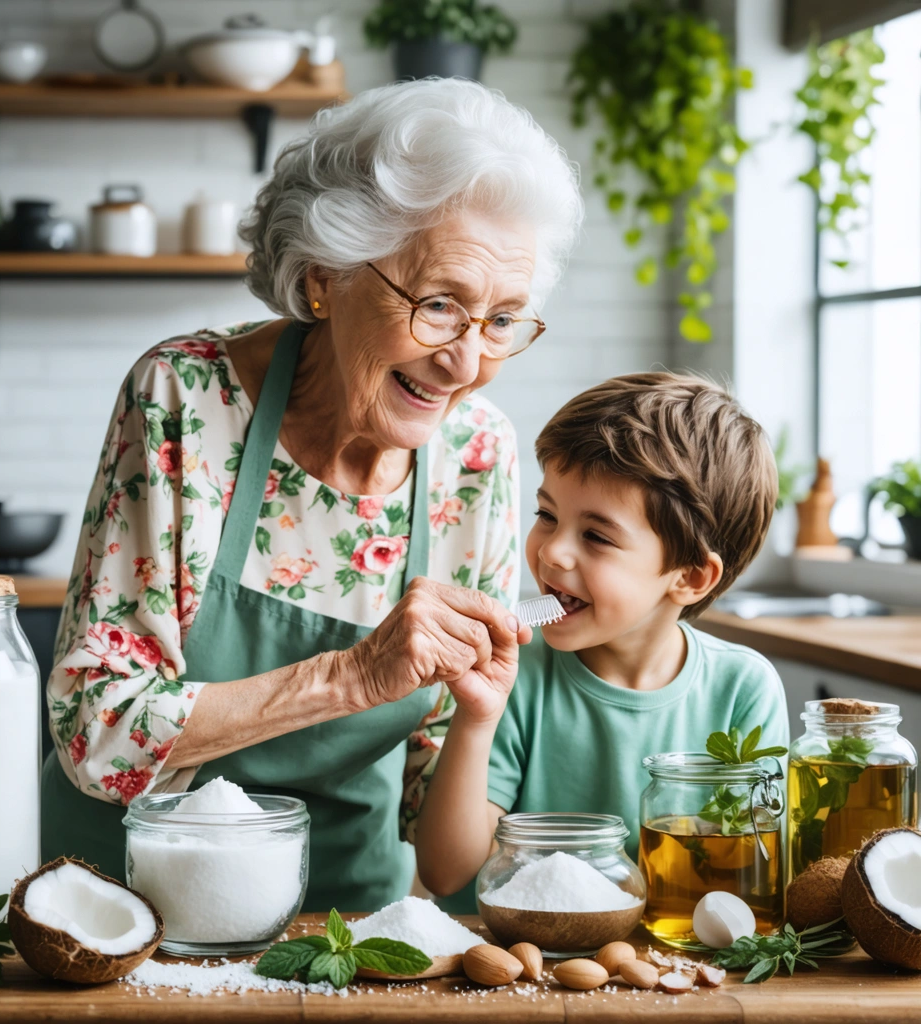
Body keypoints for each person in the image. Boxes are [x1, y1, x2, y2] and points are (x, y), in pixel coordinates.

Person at [41, 77, 580, 911]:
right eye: (439, 305)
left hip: (350, 929)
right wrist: (354, 676)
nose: (467, 363)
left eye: (503, 320)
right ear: (327, 275)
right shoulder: (186, 397)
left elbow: (433, 781)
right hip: (124, 915)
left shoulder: (479, 452)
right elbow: (98, 733)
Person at [414, 373, 790, 908]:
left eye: (596, 535)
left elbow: (748, 875)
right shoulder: (516, 676)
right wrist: (476, 716)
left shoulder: (742, 688)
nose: (552, 553)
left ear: (688, 577)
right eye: (547, 515)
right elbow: (445, 874)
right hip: (513, 962)